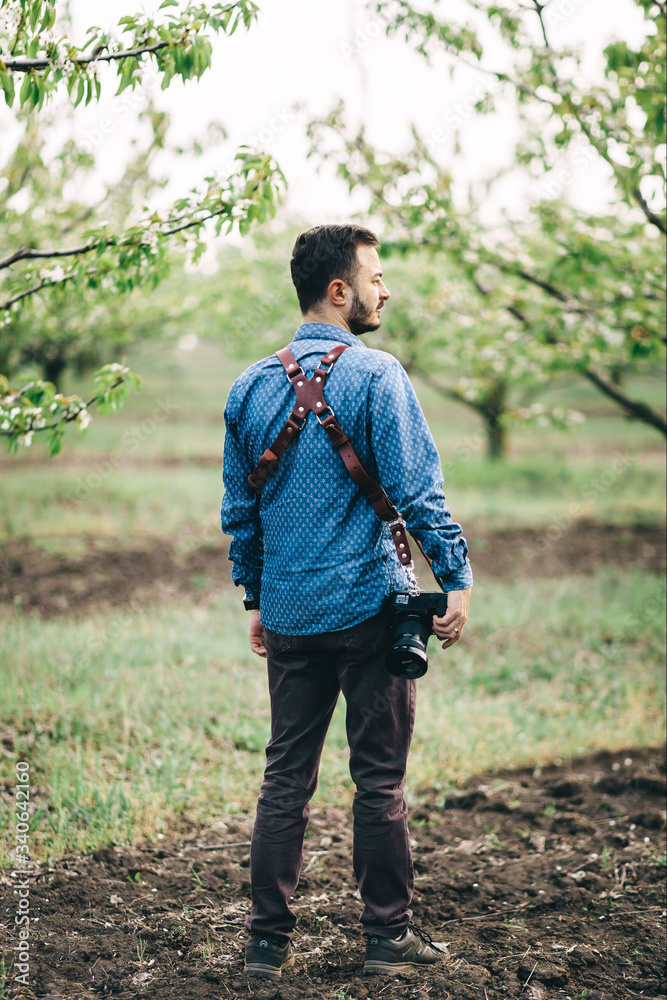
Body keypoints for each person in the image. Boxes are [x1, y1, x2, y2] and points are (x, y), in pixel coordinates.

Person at [220, 224, 472, 980]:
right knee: (379, 781)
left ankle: (265, 945)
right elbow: (417, 491)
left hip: (289, 614)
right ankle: (387, 937)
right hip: (369, 609)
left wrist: (255, 597)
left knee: (284, 780)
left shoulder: (248, 387)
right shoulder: (377, 375)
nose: (384, 290)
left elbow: (240, 511)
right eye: (375, 277)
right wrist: (455, 575)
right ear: (339, 291)